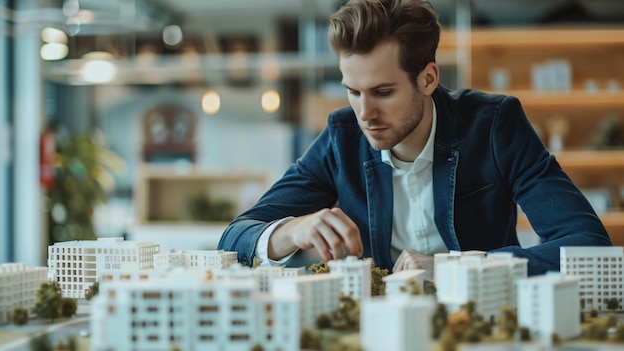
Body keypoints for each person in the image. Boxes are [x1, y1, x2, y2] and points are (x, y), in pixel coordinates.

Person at [217, 0, 612, 276]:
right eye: (353, 91)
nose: (364, 113)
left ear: (428, 79)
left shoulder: (494, 125)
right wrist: (293, 230)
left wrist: (454, 268)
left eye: (382, 92)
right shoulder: (341, 138)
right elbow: (234, 239)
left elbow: (589, 247)